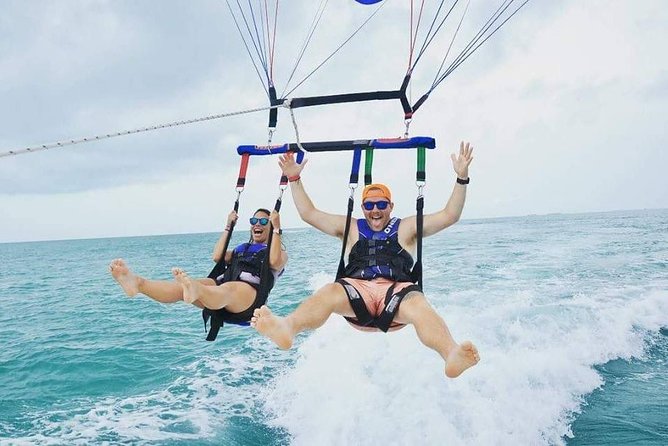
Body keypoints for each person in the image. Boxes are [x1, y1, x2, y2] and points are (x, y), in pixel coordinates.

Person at [251, 142, 479, 378]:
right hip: (356, 293)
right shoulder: (350, 227)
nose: (375, 210)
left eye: (381, 204)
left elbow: (450, 215)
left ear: (390, 206)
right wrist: (294, 178)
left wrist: (461, 178)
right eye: (369, 205)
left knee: (419, 305)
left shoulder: (407, 226)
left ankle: (451, 354)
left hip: (397, 294)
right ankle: (287, 328)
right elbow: (309, 214)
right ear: (362, 207)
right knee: (328, 292)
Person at [109, 208, 288, 330]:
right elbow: (217, 256)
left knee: (227, 289)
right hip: (219, 289)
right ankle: (138, 284)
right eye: (254, 220)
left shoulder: (279, 252)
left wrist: (277, 228)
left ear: (270, 226)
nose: (257, 224)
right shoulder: (241, 248)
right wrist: (228, 226)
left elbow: (274, 261)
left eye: (264, 221)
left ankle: (196, 290)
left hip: (248, 300)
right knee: (187, 287)